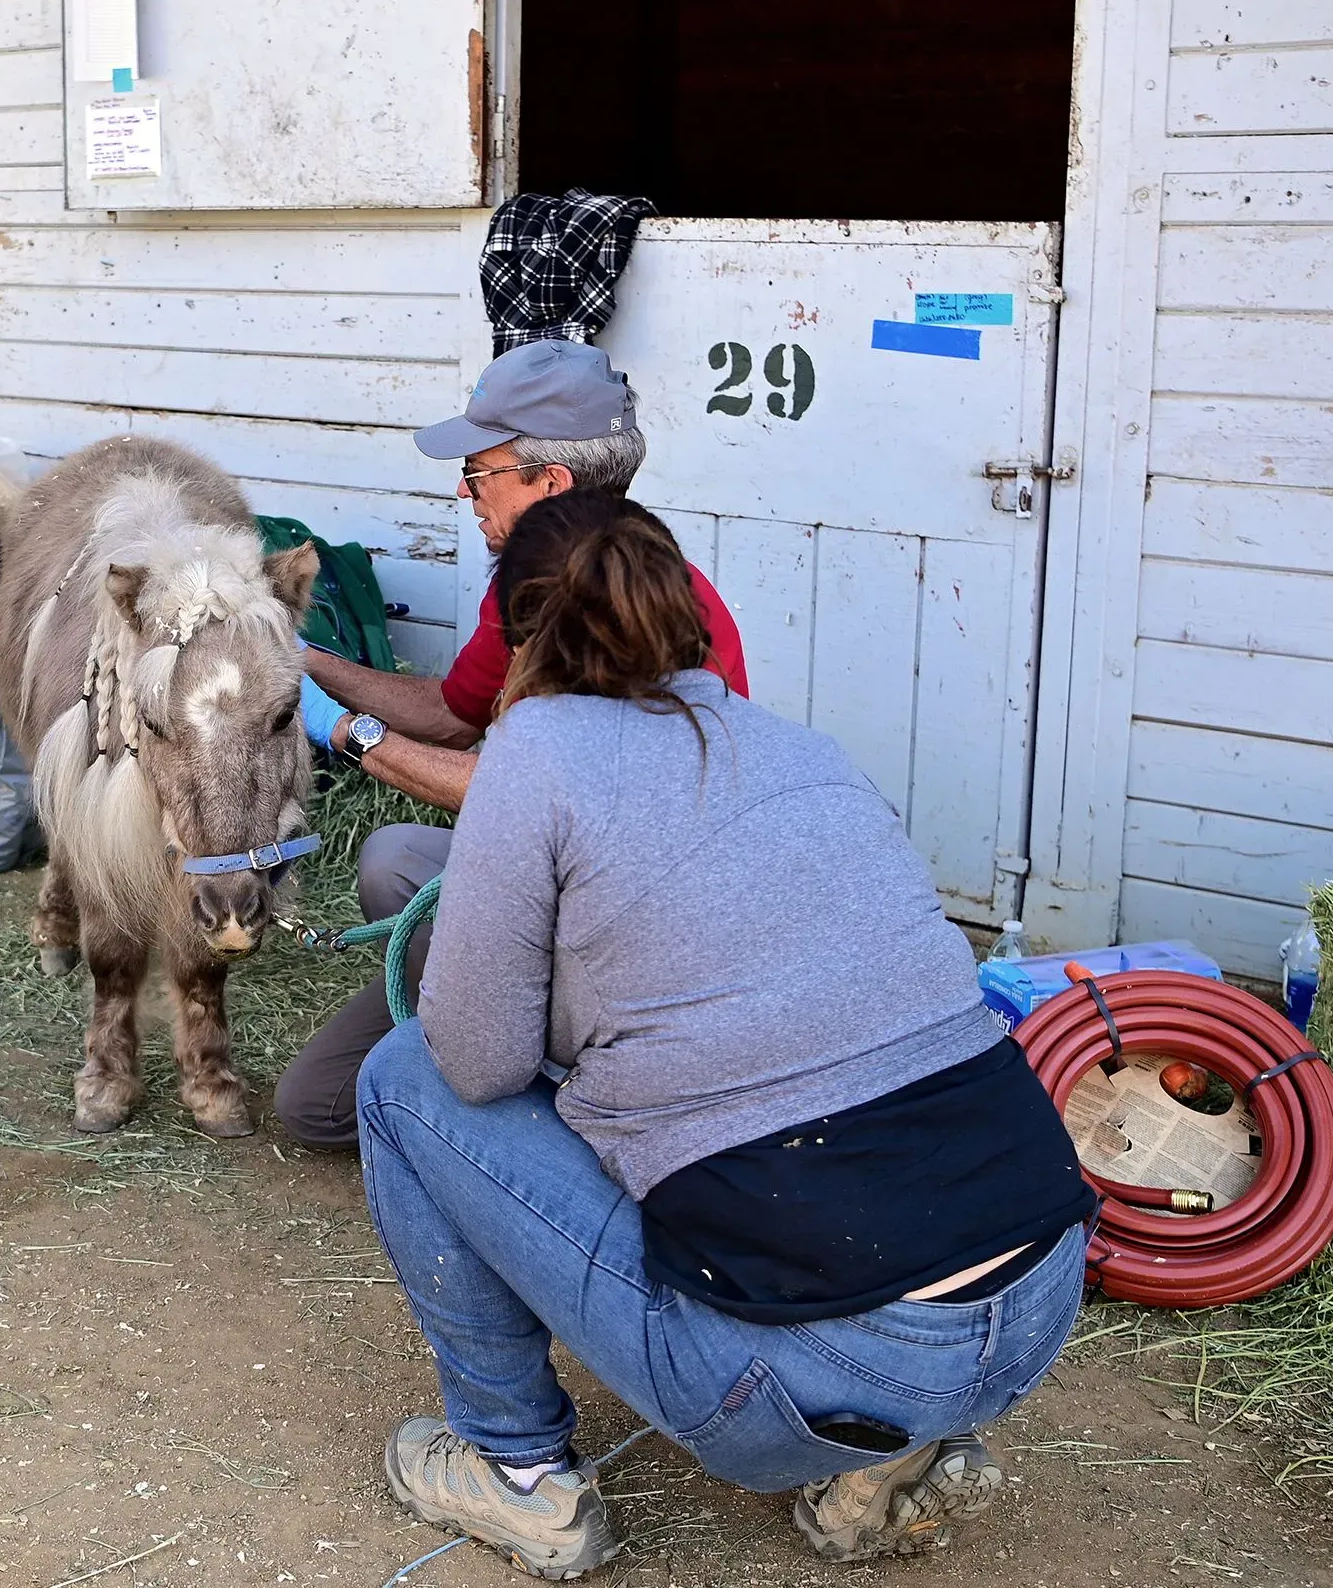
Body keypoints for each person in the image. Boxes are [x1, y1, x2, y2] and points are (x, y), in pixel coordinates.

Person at [353, 492, 1096, 1576]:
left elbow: (477, 1060)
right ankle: (896, 1447)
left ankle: (517, 1474)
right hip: (1034, 1306)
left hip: (820, 1366)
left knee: (399, 1076)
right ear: (684, 609)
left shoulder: (540, 748)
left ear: (520, 642)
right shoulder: (802, 746)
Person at [275, 339, 751, 1149]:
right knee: (391, 869)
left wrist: (346, 731)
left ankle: (559, 1082)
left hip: (631, 920)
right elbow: (455, 711)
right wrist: (300, 659)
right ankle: (506, 1020)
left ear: (549, 481)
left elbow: (523, 795)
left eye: (480, 472)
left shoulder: (634, 617)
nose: (465, 493)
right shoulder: (533, 585)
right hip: (555, 876)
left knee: (335, 1099)